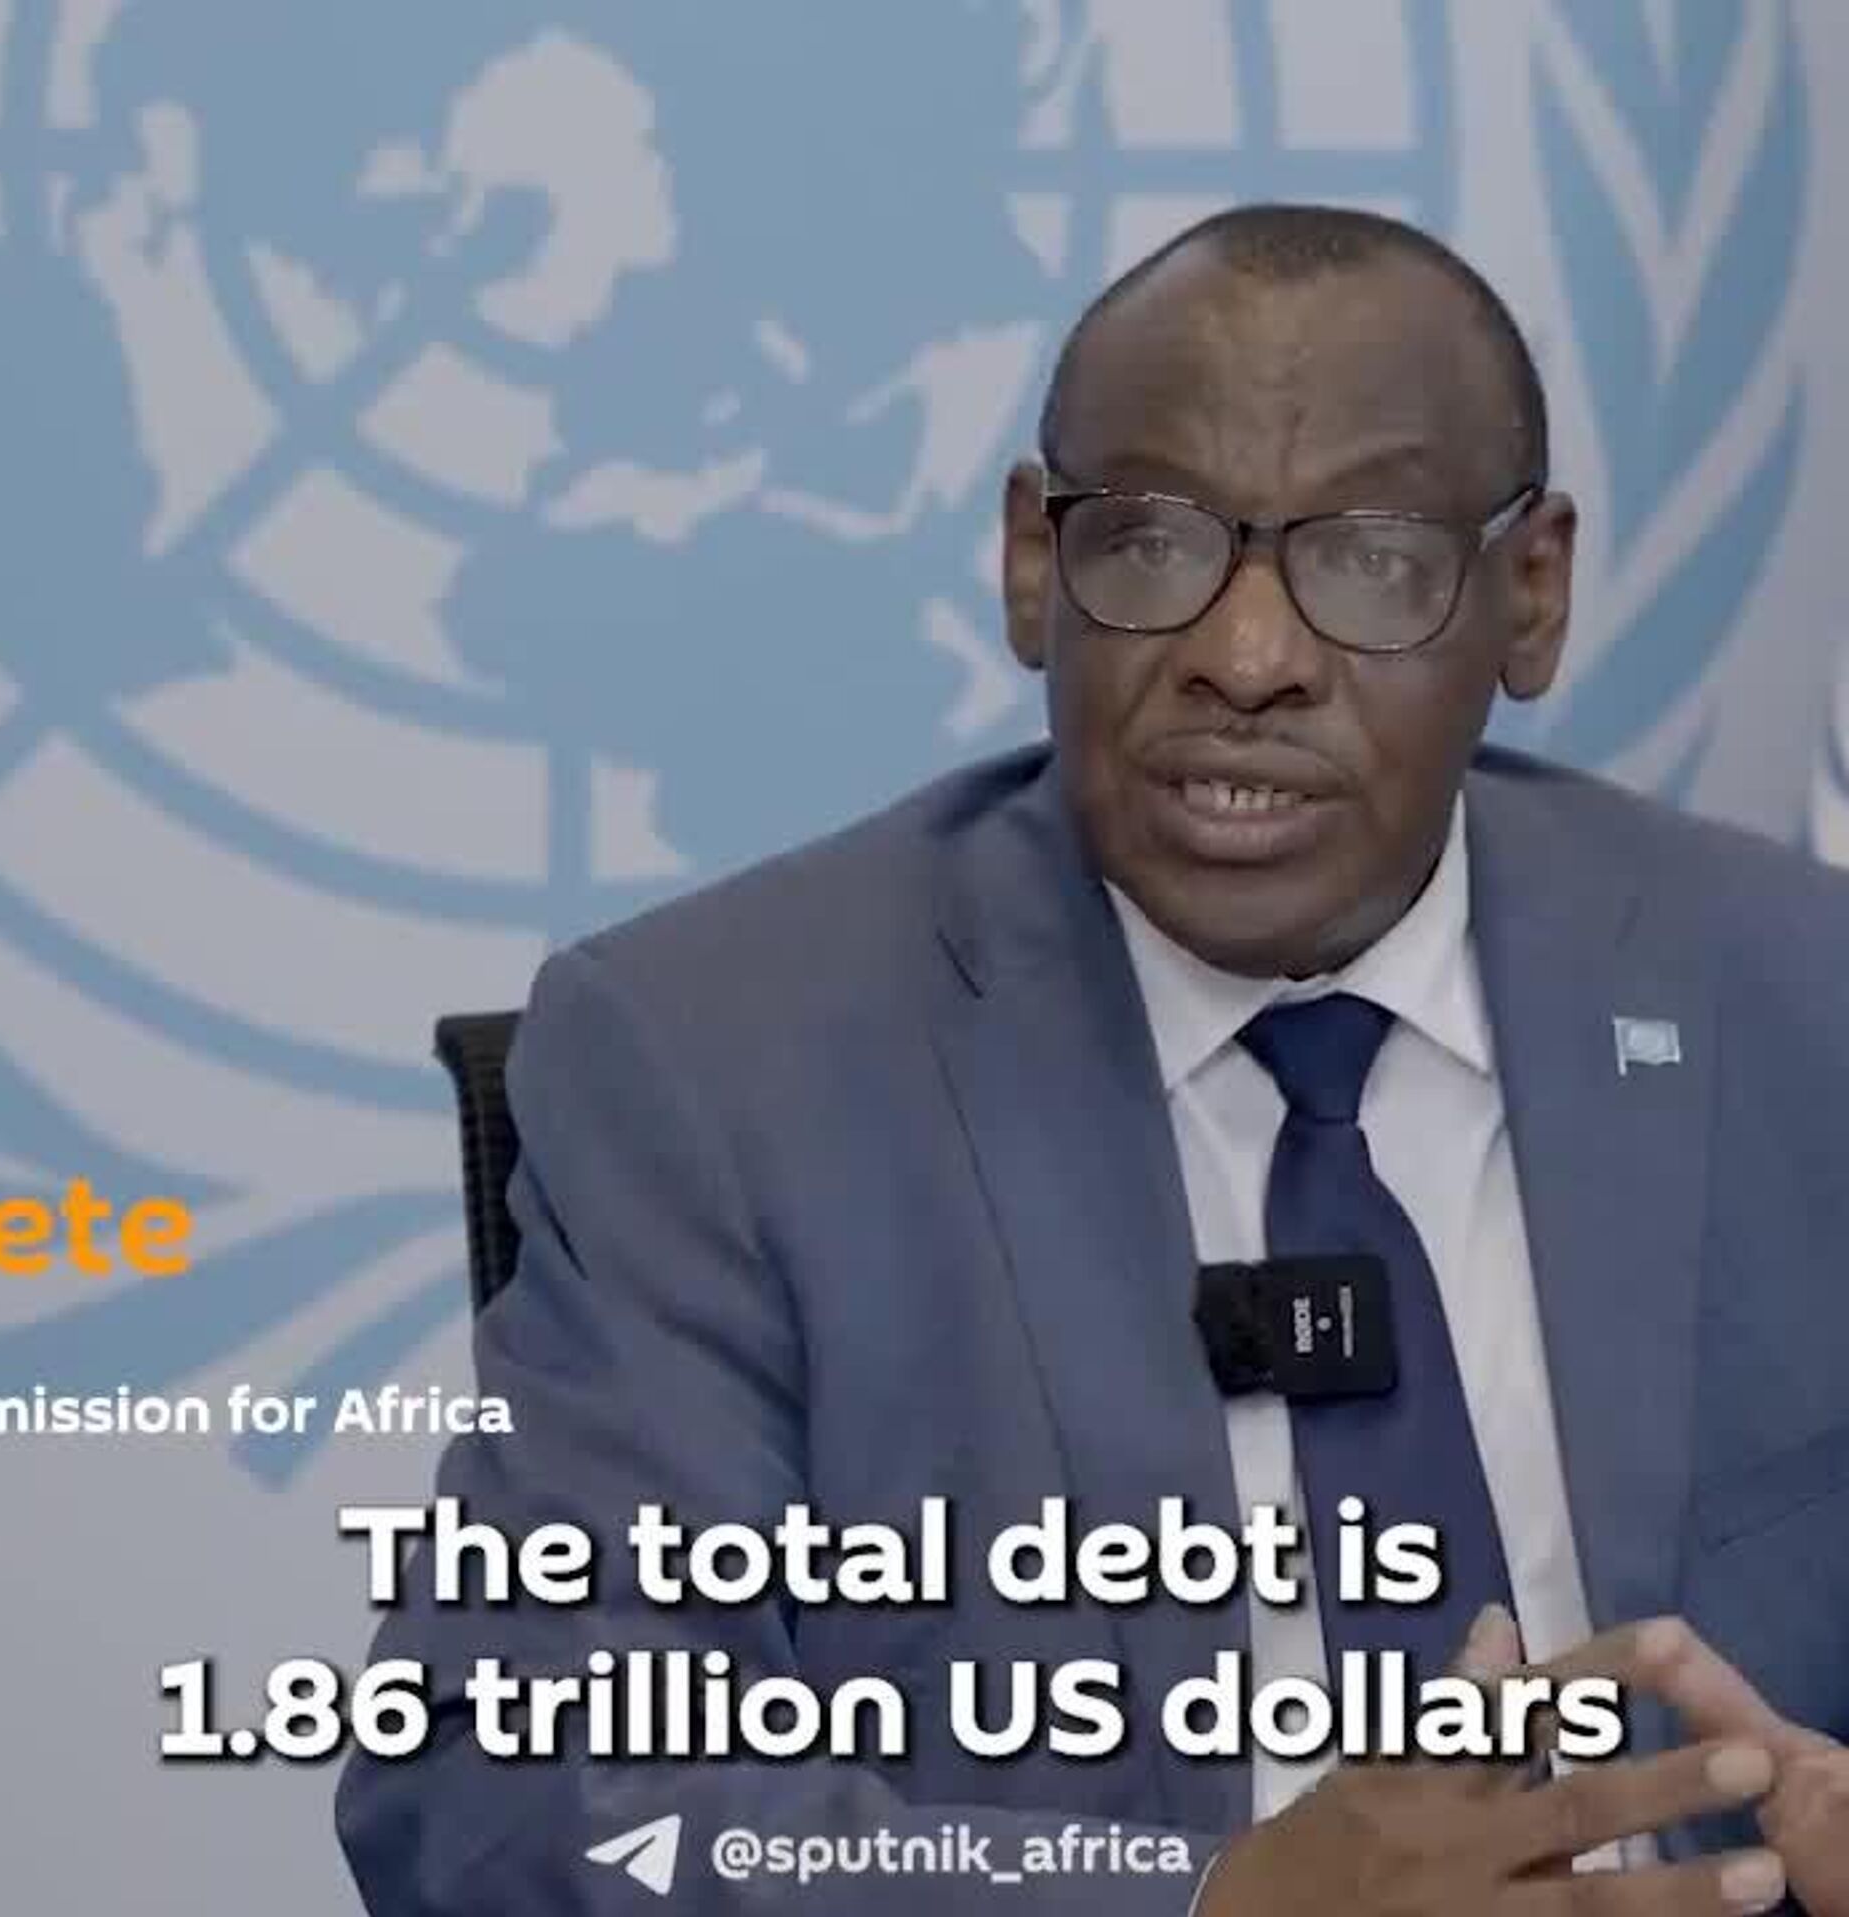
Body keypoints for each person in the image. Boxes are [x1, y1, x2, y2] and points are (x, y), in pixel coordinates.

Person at [337, 205, 1849, 1915]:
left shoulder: (1801, 998)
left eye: (1370, 558)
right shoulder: (719, 1069)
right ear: (1030, 567)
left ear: (1532, 594)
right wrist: (1213, 1906)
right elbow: (509, 1790)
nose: (1248, 657)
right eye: (1149, 540)